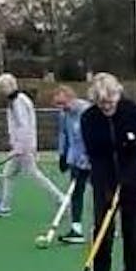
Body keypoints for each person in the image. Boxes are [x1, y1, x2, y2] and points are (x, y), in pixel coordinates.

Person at [80, 73, 136, 271]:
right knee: (102, 231)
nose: (107, 106)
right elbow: (95, 155)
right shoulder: (89, 119)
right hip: (104, 182)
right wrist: (105, 185)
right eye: (102, 102)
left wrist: (131, 177)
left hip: (134, 181)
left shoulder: (132, 112)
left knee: (133, 231)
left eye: (110, 100)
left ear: (117, 94)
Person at [0, 73, 66, 217]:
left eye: (3, 87)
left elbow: (23, 126)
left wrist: (20, 147)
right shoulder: (16, 101)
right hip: (22, 146)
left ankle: (60, 198)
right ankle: (4, 206)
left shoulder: (19, 102)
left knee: (34, 174)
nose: (1, 90)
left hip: (24, 147)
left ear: (10, 86)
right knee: (8, 174)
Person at [51, 85, 92, 244]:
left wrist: (87, 156)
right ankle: (76, 229)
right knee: (76, 193)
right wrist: (62, 155)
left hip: (93, 159)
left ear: (71, 98)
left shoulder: (86, 111)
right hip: (75, 159)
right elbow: (64, 135)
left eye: (63, 103)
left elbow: (91, 136)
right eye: (58, 105)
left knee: (103, 192)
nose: (61, 108)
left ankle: (110, 225)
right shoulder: (64, 115)